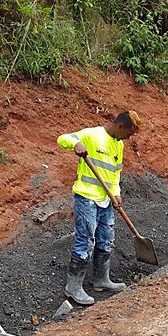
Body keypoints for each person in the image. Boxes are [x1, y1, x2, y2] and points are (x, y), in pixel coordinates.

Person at [56, 111, 141, 305]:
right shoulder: (93, 135)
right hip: (86, 198)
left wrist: (116, 192)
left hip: (105, 200)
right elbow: (63, 138)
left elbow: (115, 173)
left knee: (106, 239)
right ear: (120, 126)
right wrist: (75, 144)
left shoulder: (119, 144)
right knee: (85, 241)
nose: (129, 138)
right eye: (128, 133)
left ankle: (101, 280)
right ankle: (73, 287)